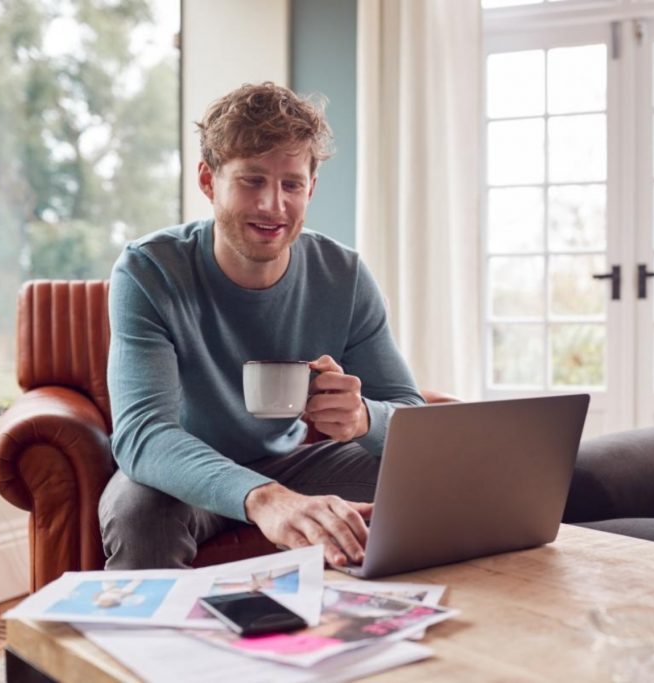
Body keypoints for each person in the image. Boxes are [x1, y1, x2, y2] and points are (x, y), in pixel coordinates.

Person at [99, 82, 424, 571]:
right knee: (138, 512)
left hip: (295, 463)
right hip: (183, 473)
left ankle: (404, 631)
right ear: (208, 181)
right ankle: (160, 648)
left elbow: (411, 421)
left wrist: (361, 418)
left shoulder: (344, 276)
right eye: (252, 180)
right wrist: (265, 499)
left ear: (310, 187)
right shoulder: (150, 270)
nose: (273, 206)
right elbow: (145, 435)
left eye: (291, 184)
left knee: (438, 479)